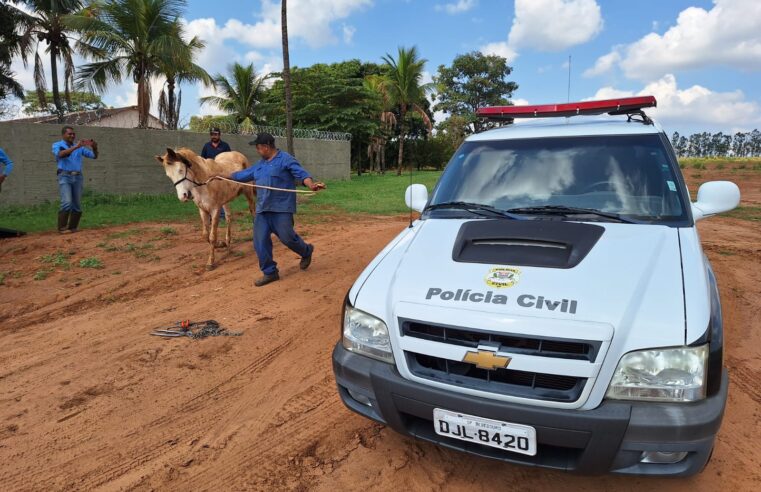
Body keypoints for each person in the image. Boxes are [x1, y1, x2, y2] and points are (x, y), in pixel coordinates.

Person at [213, 132, 325, 287]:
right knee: (260, 241)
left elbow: (302, 174)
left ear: (266, 147)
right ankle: (270, 272)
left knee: (287, 238)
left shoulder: (285, 159)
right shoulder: (260, 164)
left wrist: (311, 185)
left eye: (258, 147)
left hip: (281, 209)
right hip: (263, 210)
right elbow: (242, 175)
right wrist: (221, 176)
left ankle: (306, 251)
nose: (257, 151)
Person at [52, 126, 98, 233]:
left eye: (73, 134)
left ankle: (73, 227)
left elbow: (94, 156)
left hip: (78, 177)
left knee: (77, 204)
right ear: (63, 135)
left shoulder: (80, 147)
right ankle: (62, 228)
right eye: (69, 134)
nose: (72, 135)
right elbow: (60, 154)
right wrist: (76, 147)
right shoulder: (57, 145)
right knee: (67, 202)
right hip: (64, 176)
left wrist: (95, 148)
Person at [201, 127, 232, 221]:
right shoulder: (206, 146)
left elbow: (229, 159)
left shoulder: (225, 146)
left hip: (221, 174)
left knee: (220, 194)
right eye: (212, 134)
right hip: (210, 175)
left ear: (219, 135)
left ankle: (221, 215)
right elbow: (203, 160)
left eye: (216, 134)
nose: (214, 136)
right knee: (211, 195)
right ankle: (211, 214)